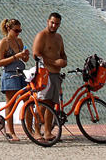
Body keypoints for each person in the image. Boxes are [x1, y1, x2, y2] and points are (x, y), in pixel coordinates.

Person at [32, 12, 67, 141]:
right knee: (42, 103)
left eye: (57, 23)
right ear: (48, 21)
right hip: (44, 74)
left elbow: (63, 53)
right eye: (52, 22)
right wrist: (54, 62)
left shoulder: (59, 37)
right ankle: (36, 131)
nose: (54, 25)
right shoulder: (42, 35)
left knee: (52, 104)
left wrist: (64, 61)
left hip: (56, 75)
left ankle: (47, 131)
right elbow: (36, 54)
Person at [0, 18, 30, 142]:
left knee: (28, 100)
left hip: (21, 73)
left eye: (20, 30)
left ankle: (30, 130)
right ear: (9, 29)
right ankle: (10, 131)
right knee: (10, 103)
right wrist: (16, 56)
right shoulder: (3, 43)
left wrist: (25, 55)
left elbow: (24, 59)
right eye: (16, 30)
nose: (18, 33)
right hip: (10, 74)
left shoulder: (19, 41)